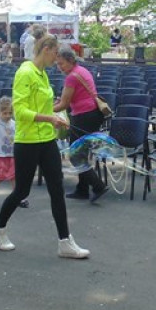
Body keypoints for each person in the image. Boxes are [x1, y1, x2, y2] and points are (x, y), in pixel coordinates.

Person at [0, 34, 90, 258]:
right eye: (55, 52)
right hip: (27, 141)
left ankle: (65, 242)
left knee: (57, 189)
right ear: (46, 49)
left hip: (47, 139)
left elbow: (44, 107)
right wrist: (50, 118)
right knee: (22, 191)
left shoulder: (43, 74)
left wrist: (57, 116)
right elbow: (20, 111)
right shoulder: (25, 72)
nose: (57, 58)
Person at [54, 46, 109, 202]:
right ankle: (82, 189)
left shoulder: (71, 77)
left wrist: (44, 110)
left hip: (84, 116)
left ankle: (98, 186)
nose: (59, 67)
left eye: (61, 63)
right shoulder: (82, 70)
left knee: (75, 155)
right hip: (92, 114)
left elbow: (64, 104)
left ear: (71, 60)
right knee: (81, 153)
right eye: (57, 64)